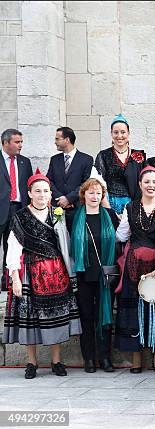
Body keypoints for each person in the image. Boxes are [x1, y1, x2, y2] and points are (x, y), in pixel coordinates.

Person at [2, 170, 81, 379]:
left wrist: (70, 272)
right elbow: (13, 249)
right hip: (30, 272)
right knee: (31, 318)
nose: (42, 195)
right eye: (38, 191)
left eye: (46, 191)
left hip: (55, 273)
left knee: (55, 317)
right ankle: (31, 362)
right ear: (29, 193)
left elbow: (65, 245)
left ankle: (56, 361)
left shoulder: (58, 213)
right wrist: (15, 278)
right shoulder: (20, 217)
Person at [115, 166, 155, 373]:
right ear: (140, 184)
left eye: (154, 182)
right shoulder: (130, 208)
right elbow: (122, 236)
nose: (151, 185)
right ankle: (136, 359)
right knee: (133, 311)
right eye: (147, 182)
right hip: (134, 269)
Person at [70, 175, 119, 373]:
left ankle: (105, 358)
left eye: (98, 193)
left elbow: (121, 240)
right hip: (83, 276)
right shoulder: (74, 217)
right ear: (83, 194)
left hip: (105, 276)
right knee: (87, 317)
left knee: (105, 317)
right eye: (91, 192)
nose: (94, 196)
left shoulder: (110, 216)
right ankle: (89, 359)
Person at [94, 114, 146, 216]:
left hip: (134, 204)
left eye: (123, 132)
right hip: (110, 204)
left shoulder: (139, 155)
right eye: (116, 132)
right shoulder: (103, 155)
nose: (119, 136)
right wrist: (109, 210)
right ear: (111, 134)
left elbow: (144, 182)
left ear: (128, 133)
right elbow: (98, 183)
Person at [1, 128, 33, 291]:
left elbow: (29, 186)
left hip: (18, 210)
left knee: (13, 246)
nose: (20, 145)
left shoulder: (24, 162)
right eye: (17, 142)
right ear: (6, 143)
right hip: (1, 209)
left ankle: (7, 280)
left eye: (21, 142)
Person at [47, 126, 94, 230]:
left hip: (77, 208)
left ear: (67, 140)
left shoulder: (86, 159)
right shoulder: (54, 160)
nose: (55, 142)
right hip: (57, 208)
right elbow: (49, 181)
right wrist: (60, 198)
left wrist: (69, 198)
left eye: (57, 139)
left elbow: (86, 183)